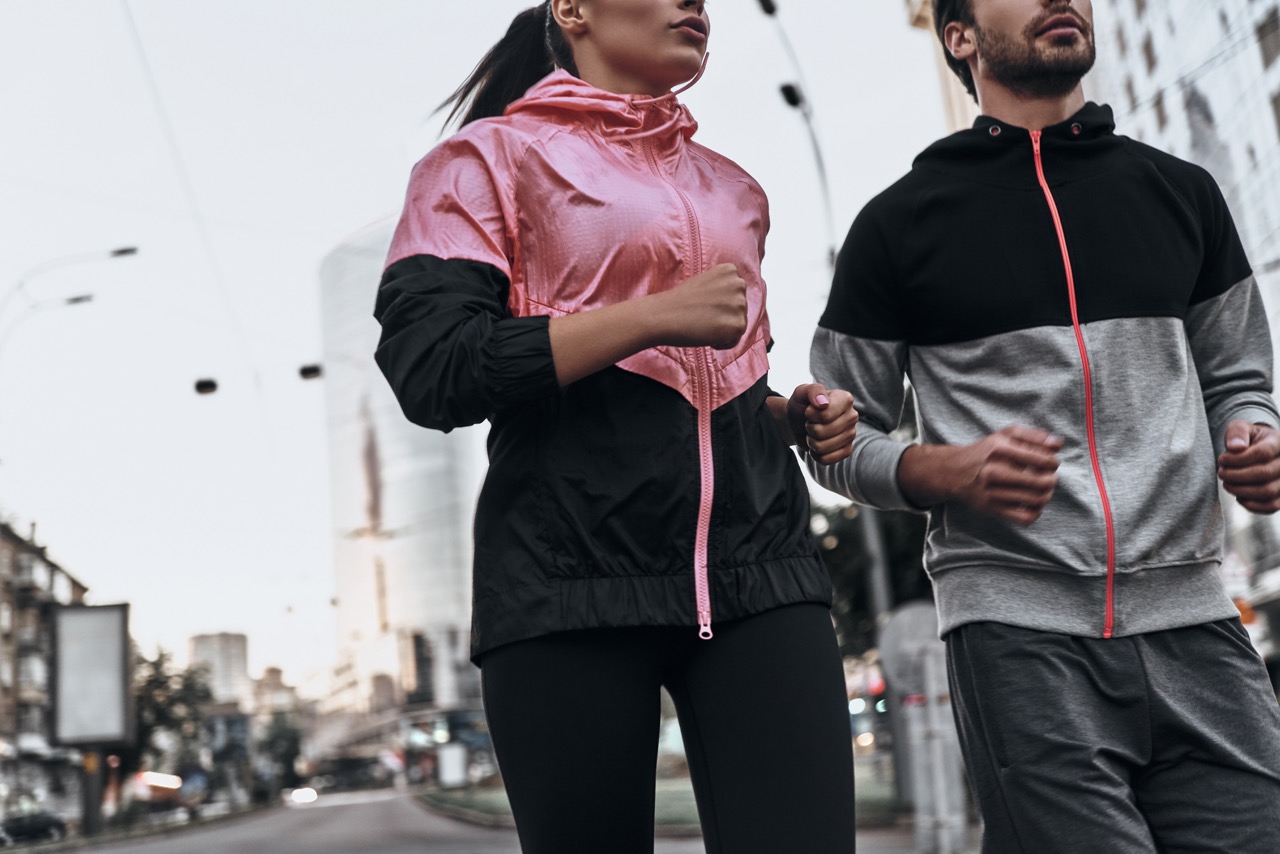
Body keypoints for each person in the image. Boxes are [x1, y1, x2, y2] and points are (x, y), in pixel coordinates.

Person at [373, 2, 859, 852]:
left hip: (761, 576)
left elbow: (719, 386)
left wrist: (789, 415)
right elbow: (434, 369)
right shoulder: (483, 161)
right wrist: (652, 315)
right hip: (567, 589)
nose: (695, 5)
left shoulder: (734, 190)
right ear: (574, 10)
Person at [808, 0, 1280, 851]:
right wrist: (937, 471)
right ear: (958, 37)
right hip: (1020, 636)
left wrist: (1250, 431)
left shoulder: (1182, 193)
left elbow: (1240, 377)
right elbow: (837, 442)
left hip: (1198, 620)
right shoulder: (895, 227)